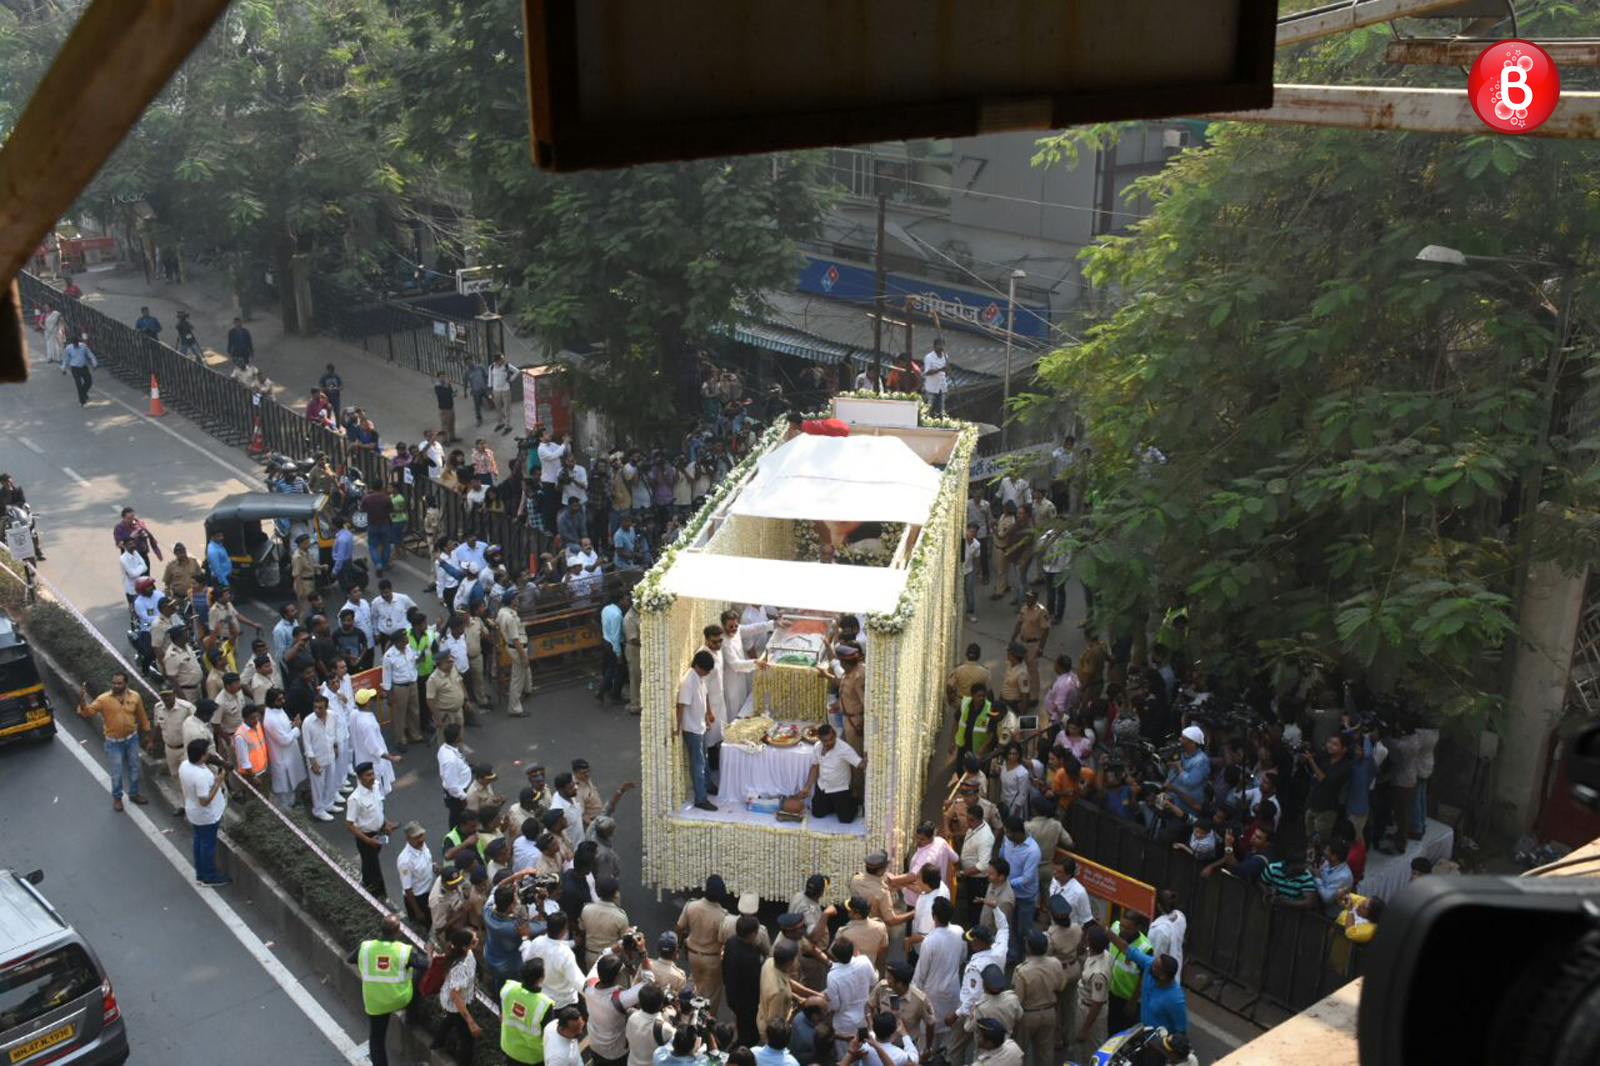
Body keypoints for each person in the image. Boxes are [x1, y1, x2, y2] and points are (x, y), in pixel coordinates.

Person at [352, 914, 429, 1066]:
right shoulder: (405, 951)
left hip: (375, 1002)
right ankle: (411, 1017)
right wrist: (429, 952)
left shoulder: (365, 947)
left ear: (381, 930)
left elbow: (350, 959)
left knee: (377, 1038)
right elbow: (426, 964)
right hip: (400, 998)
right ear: (398, 932)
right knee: (417, 973)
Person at [76, 674, 151, 811]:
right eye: (114, 683)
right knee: (116, 772)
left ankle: (134, 794)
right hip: (114, 743)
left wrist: (148, 736)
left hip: (132, 739)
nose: (116, 685)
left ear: (126, 684)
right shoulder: (103, 699)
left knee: (134, 768)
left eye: (119, 683)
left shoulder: (135, 697)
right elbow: (87, 712)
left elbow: (142, 716)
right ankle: (117, 797)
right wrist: (81, 699)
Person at [1102, 927, 1186, 1036]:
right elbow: (1126, 948)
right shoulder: (1150, 964)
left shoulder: (1175, 998)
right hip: (1141, 1033)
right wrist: (1105, 930)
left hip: (1158, 1044)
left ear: (1163, 976)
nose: (1151, 965)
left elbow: (1181, 1030)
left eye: (1155, 967)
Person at [178, 737, 230, 886]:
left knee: (199, 841)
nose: (208, 755)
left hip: (193, 812)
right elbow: (204, 800)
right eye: (206, 753)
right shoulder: (200, 776)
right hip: (206, 815)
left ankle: (201, 872)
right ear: (201, 756)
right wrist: (218, 782)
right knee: (208, 845)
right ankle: (209, 876)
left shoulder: (184, 766)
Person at [1012, 932, 1065, 1066]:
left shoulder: (1021, 970)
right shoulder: (1055, 963)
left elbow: (1017, 1001)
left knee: (1019, 1052)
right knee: (1045, 1054)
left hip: (1028, 1015)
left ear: (1029, 948)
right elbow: (1061, 987)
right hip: (1049, 1012)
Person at [795, 722, 863, 824]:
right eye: (825, 741)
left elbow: (859, 763)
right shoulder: (817, 746)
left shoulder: (844, 748)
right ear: (820, 739)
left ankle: (850, 802)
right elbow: (814, 767)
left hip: (840, 788)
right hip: (823, 786)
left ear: (835, 735)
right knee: (817, 814)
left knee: (846, 820)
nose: (829, 742)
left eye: (831, 739)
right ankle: (836, 805)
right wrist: (807, 787)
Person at [348, 761, 398, 897]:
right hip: (367, 838)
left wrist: (385, 823)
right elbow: (350, 825)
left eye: (372, 773)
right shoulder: (355, 799)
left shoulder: (375, 786)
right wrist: (368, 841)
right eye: (368, 775)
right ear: (359, 778)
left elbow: (378, 808)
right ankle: (379, 899)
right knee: (375, 871)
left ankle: (366, 880)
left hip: (379, 833)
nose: (372, 777)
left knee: (370, 862)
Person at [676, 650, 718, 811]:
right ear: (698, 667)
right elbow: (681, 705)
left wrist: (707, 716)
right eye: (706, 670)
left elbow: (704, 696)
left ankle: (708, 785)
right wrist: (677, 728)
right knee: (698, 764)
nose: (707, 674)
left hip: (700, 725)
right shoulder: (688, 681)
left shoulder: (699, 677)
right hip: (692, 729)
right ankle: (700, 798)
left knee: (705, 759)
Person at [433, 926, 483, 1059]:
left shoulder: (468, 954)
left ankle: (437, 1042)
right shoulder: (460, 968)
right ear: (464, 947)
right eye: (473, 941)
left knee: (450, 1020)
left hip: (457, 1000)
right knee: (467, 1040)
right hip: (456, 1005)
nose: (477, 940)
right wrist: (471, 1022)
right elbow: (455, 996)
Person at [826, 939, 876, 1060]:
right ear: (853, 951)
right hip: (864, 1018)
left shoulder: (832, 976)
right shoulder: (864, 961)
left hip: (844, 1024)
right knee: (865, 1054)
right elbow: (874, 981)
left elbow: (835, 1006)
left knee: (846, 1057)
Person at [725, 914, 770, 1048]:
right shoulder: (751, 956)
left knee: (741, 1024)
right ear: (751, 934)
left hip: (732, 995)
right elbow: (756, 982)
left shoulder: (731, 942)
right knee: (750, 1033)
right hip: (747, 1002)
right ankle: (741, 1052)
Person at [502, 957, 556, 1065]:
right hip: (532, 1056)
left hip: (510, 1049)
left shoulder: (508, 988)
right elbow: (549, 1035)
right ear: (541, 978)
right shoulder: (544, 1004)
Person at [1072, 926, 1112, 1065]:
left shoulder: (1098, 974)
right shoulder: (1104, 953)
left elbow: (1097, 1003)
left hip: (1090, 1011)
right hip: (1085, 1004)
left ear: (1089, 942)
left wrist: (1084, 1029)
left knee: (1092, 1050)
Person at [303, 695, 343, 821]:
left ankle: (329, 805)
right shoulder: (308, 722)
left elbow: (334, 732)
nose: (317, 710)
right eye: (315, 707)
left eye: (320, 708)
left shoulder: (332, 716)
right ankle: (318, 810)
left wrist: (336, 746)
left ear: (326, 707)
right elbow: (307, 745)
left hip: (330, 756)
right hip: (317, 760)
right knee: (318, 788)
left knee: (330, 783)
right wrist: (313, 763)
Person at [61, 332, 98, 405]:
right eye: (74, 344)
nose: (76, 345)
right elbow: (66, 359)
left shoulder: (83, 346)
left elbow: (90, 354)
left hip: (83, 367)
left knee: (88, 381)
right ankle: (82, 400)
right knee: (79, 384)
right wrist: (63, 369)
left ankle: (83, 393)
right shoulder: (69, 348)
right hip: (75, 368)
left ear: (78, 342)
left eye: (76, 343)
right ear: (72, 343)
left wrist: (95, 364)